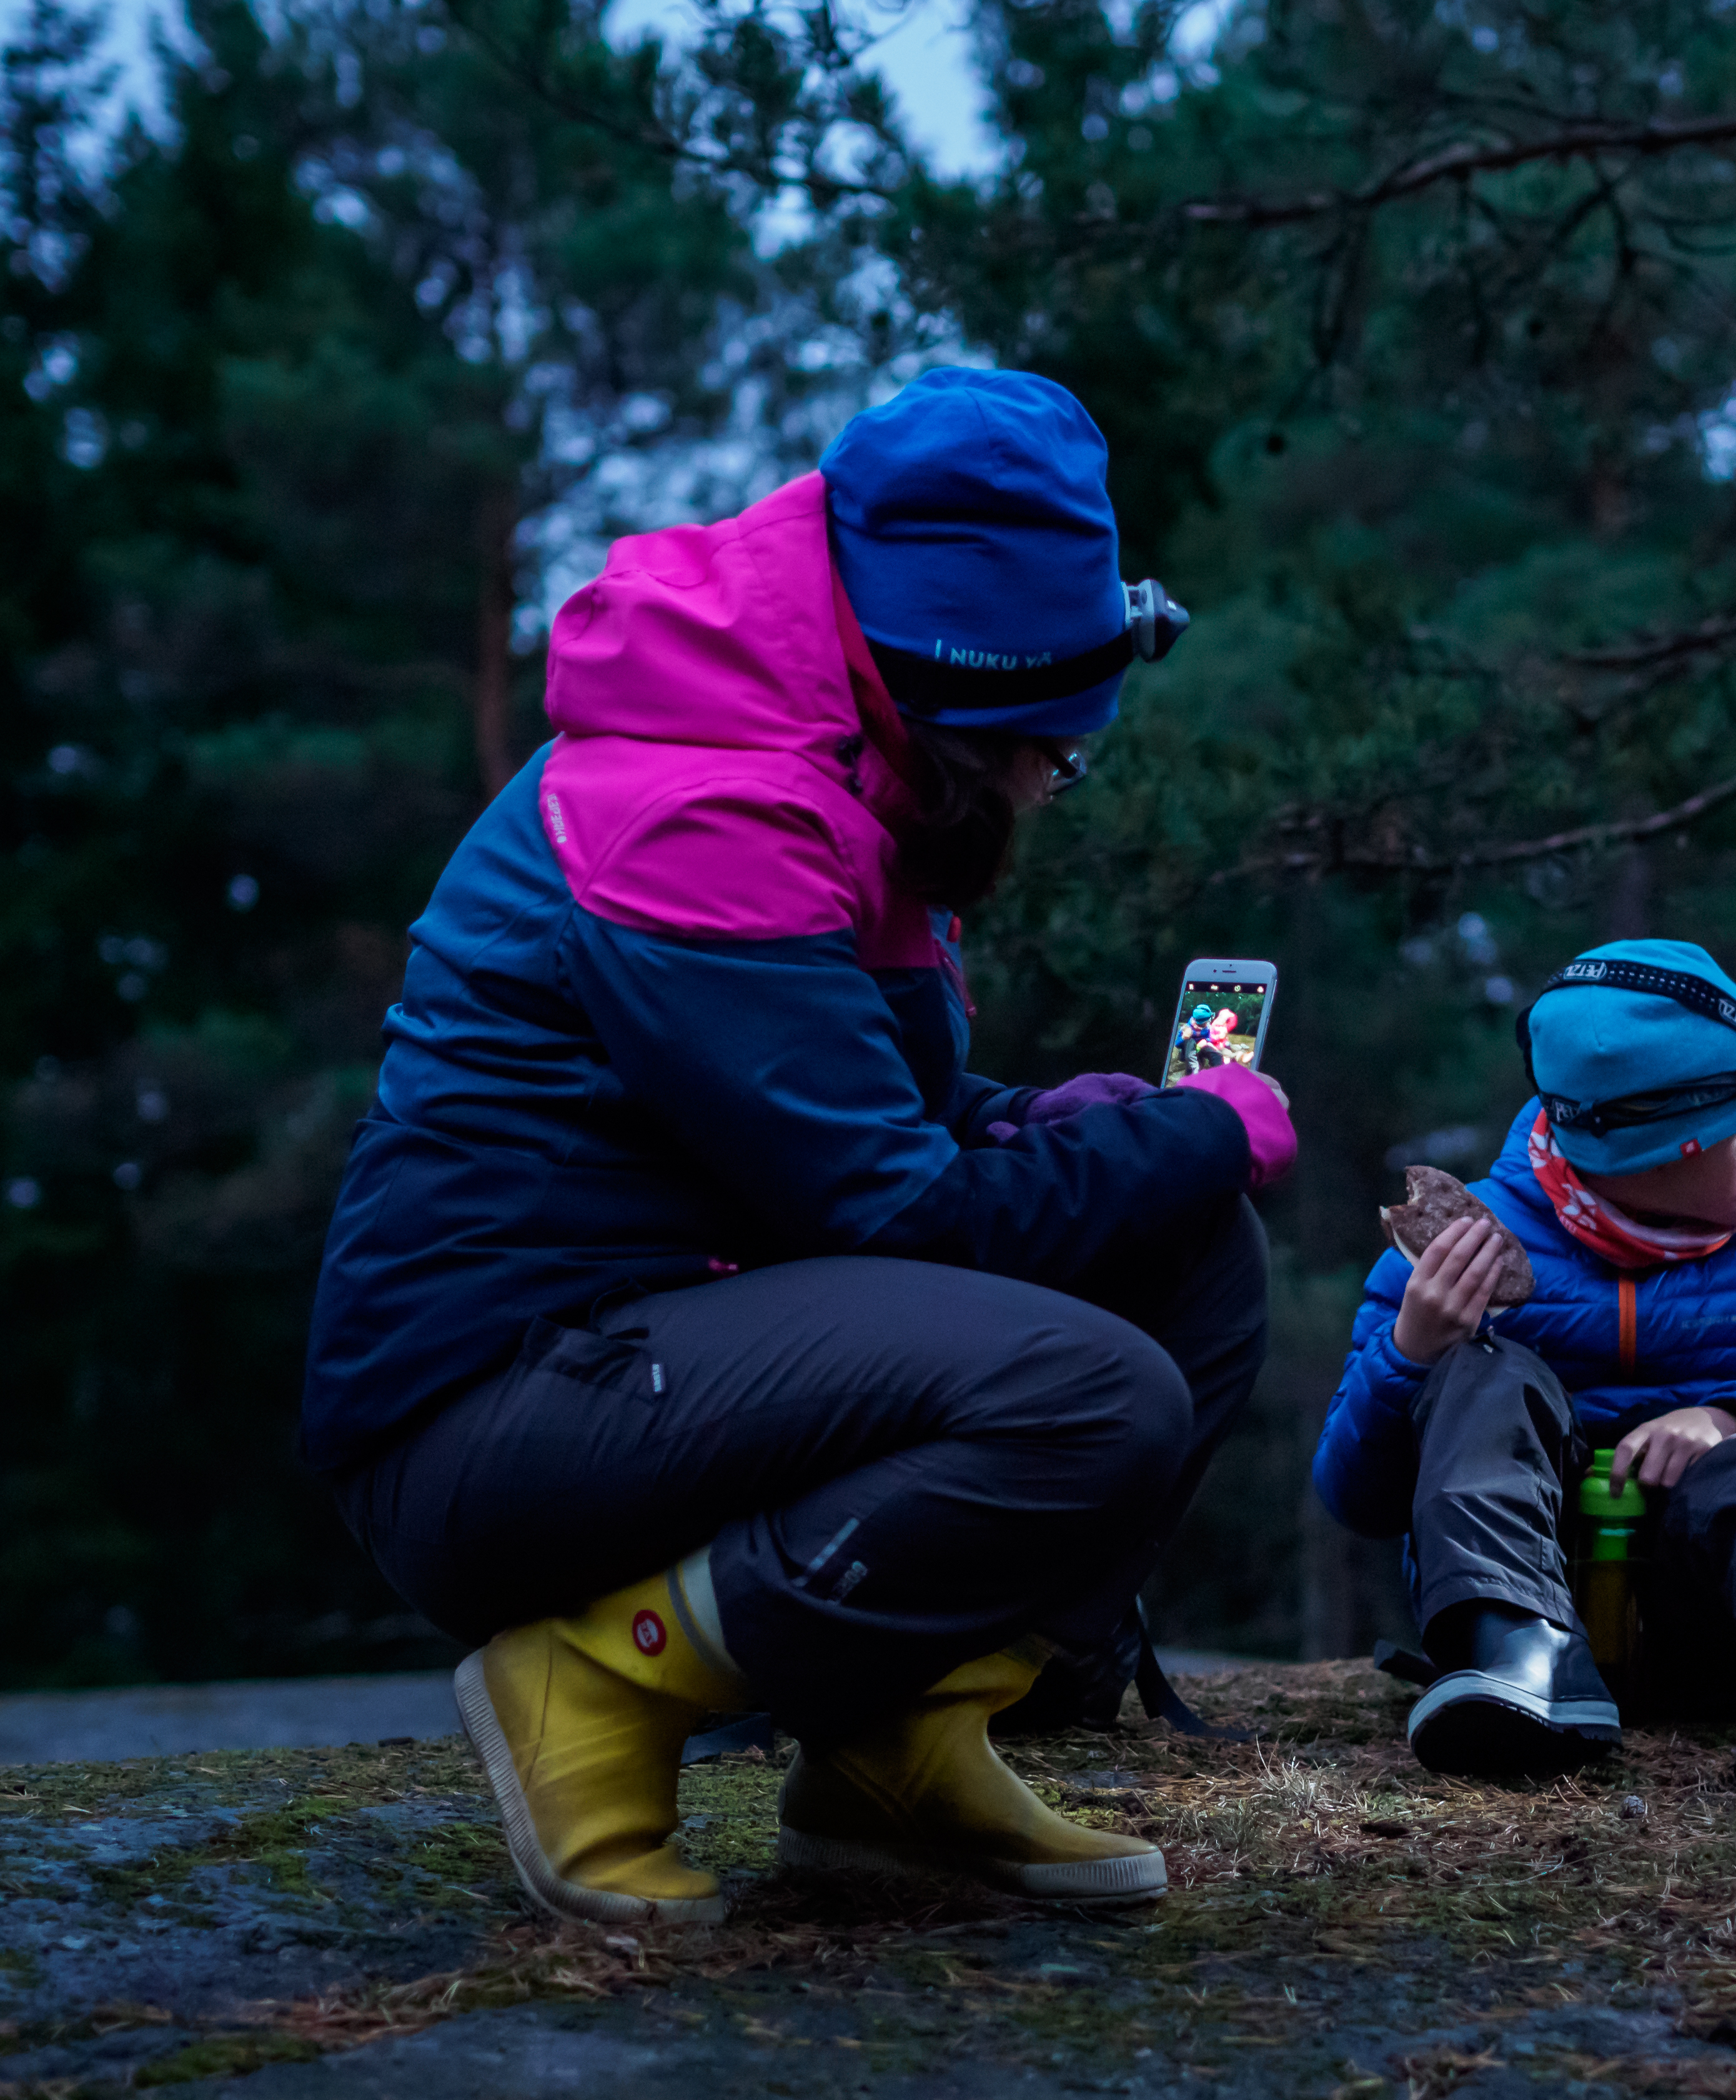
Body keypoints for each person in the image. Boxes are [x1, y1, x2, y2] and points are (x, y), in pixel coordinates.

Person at [301, 369, 1298, 1925]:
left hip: (664, 1350)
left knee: (1193, 1261)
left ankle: (894, 1753)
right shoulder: (707, 811)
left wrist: (1050, 1123)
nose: (1057, 778)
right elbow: (889, 1212)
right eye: (1053, 744)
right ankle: (594, 1693)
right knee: (1091, 1389)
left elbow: (823, 1112)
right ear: (962, 701)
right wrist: (1189, 1135)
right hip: (490, 1411)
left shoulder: (835, 765)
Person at [1312, 940, 1736, 1782]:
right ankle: (1519, 1665)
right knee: (1483, 1376)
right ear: (1642, 1158)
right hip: (1522, 1590)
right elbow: (1354, 1494)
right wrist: (1410, 1353)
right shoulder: (1461, 1251)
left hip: (1720, 1613)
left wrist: (1734, 1417)